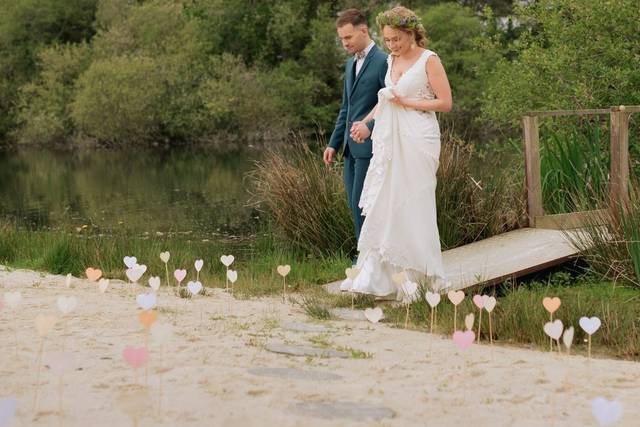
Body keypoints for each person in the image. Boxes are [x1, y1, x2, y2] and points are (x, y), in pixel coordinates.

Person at [343, 6, 452, 298]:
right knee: (387, 202)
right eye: (388, 40)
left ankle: (420, 276)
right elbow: (386, 99)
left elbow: (445, 102)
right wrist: (365, 123)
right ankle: (384, 277)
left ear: (410, 33)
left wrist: (409, 103)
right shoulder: (390, 60)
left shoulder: (430, 60)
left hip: (419, 137)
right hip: (389, 140)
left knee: (414, 202)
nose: (391, 45)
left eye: (396, 40)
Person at [323, 9, 388, 263]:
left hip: (371, 146)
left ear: (364, 30)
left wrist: (370, 128)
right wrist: (333, 143)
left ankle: (367, 260)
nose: (345, 43)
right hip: (350, 148)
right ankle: (365, 256)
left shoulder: (383, 61)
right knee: (354, 204)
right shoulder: (350, 63)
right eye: (341, 39)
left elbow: (389, 103)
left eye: (348, 37)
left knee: (365, 205)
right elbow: (346, 109)